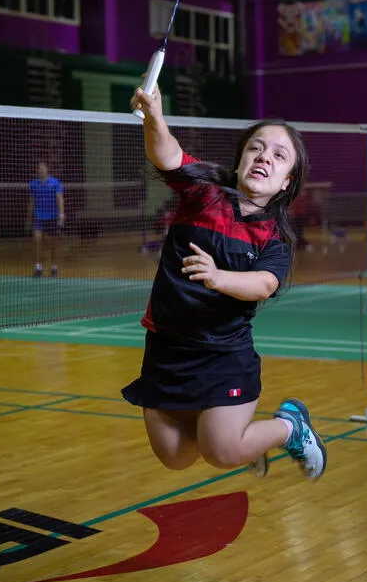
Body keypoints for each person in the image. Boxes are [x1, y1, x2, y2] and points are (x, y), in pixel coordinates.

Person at [122, 83, 327, 482]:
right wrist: (154, 116)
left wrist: (217, 277)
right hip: (167, 347)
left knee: (223, 451)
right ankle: (239, 435)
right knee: (175, 456)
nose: (264, 157)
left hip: (223, 354)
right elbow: (166, 154)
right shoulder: (204, 193)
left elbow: (264, 285)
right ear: (240, 159)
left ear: (287, 181)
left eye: (279, 155)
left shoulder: (273, 238)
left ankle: (290, 428)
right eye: (256, 147)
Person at [28, 162, 65, 278]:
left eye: (43, 169)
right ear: (37, 172)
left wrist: (61, 214)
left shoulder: (55, 183)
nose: (41, 171)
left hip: (52, 217)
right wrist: (28, 218)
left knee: (53, 244)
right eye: (39, 169)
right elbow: (31, 202)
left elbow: (60, 198)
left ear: (47, 170)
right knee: (37, 240)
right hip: (39, 217)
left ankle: (54, 268)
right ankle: (38, 267)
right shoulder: (33, 184)